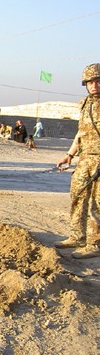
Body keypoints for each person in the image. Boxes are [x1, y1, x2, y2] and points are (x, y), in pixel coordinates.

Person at [54, 63, 100, 259]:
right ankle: (77, 236)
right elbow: (81, 133)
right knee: (77, 195)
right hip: (84, 159)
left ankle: (94, 243)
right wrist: (70, 154)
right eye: (90, 82)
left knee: (98, 203)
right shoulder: (84, 104)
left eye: (97, 81)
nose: (94, 85)